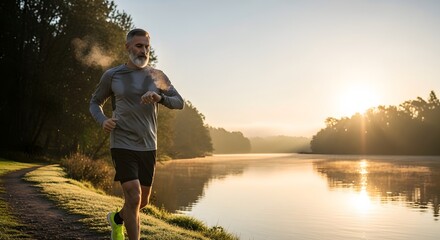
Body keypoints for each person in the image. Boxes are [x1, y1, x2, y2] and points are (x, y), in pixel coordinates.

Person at [89, 28, 184, 240]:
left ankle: (117, 220)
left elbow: (180, 102)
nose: (143, 51)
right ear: (128, 47)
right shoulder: (112, 75)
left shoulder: (157, 76)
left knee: (142, 201)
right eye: (139, 46)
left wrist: (160, 98)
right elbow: (95, 103)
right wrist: (103, 120)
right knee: (133, 196)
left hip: (149, 145)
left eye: (147, 47)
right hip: (122, 142)